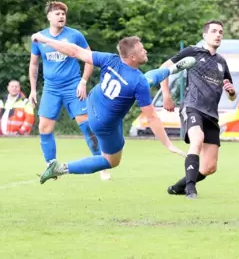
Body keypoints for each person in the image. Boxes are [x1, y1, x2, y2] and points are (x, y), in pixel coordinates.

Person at [33, 34, 194, 184]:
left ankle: (173, 69)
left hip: (93, 101)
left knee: (146, 79)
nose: (145, 51)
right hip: (104, 124)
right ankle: (61, 168)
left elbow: (75, 51)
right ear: (132, 57)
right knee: (111, 161)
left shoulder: (111, 59)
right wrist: (168, 144)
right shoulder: (138, 82)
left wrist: (45, 39)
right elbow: (151, 117)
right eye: (141, 50)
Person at [28, 1, 110, 180]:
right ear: (49, 17)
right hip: (51, 88)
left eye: (63, 14)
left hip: (73, 86)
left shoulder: (75, 36)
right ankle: (51, 166)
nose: (61, 16)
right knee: (44, 127)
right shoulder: (39, 38)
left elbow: (90, 58)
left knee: (88, 126)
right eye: (57, 13)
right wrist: (33, 90)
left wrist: (83, 81)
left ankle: (101, 164)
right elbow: (34, 65)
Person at [160, 20, 236, 199]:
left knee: (210, 167)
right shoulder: (192, 52)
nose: (218, 35)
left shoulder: (221, 62)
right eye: (214, 31)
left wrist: (231, 92)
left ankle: (178, 187)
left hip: (211, 114)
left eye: (221, 32)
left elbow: (231, 94)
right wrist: (166, 95)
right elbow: (163, 69)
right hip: (192, 106)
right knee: (197, 139)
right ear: (205, 35)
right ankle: (191, 189)